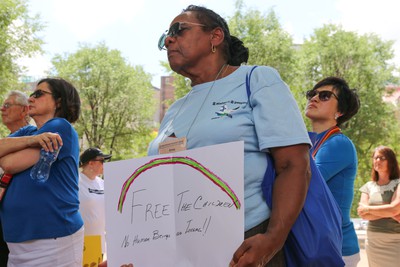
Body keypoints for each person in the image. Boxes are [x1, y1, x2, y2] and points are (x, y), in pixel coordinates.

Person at [149, 5, 311, 266]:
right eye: (165, 37)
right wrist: (134, 246)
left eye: (179, 30)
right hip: (180, 250)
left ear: (215, 37)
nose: (169, 39)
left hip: (245, 245)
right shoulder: (175, 110)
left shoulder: (257, 79)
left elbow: (294, 165)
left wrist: (271, 241)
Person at [0, 78, 83, 266]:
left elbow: (10, 163)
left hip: (52, 245)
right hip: (18, 248)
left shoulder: (60, 126)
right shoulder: (28, 132)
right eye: (31, 94)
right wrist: (32, 140)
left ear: (59, 101)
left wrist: (9, 152)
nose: (30, 99)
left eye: (38, 94)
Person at [304, 77, 361, 266]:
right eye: (312, 94)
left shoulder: (338, 143)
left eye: (325, 95)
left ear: (340, 111)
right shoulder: (311, 143)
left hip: (337, 248)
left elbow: (303, 181)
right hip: (318, 243)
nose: (314, 98)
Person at [0, 90, 35, 266]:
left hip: (23, 230)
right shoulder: (7, 141)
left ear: (24, 110)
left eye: (7, 105)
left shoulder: (34, 135)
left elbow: (8, 165)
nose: (1, 109)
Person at [358, 146, 400, 267]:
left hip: (395, 240)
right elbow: (362, 214)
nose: (377, 161)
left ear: (391, 161)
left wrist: (369, 209)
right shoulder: (368, 186)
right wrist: (390, 212)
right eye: (375, 158)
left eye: (382, 158)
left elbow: (395, 208)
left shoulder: (398, 183)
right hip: (373, 241)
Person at [79, 147, 111, 260]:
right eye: (102, 161)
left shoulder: (102, 183)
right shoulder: (76, 182)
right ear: (91, 163)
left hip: (100, 241)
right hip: (83, 242)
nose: (104, 164)